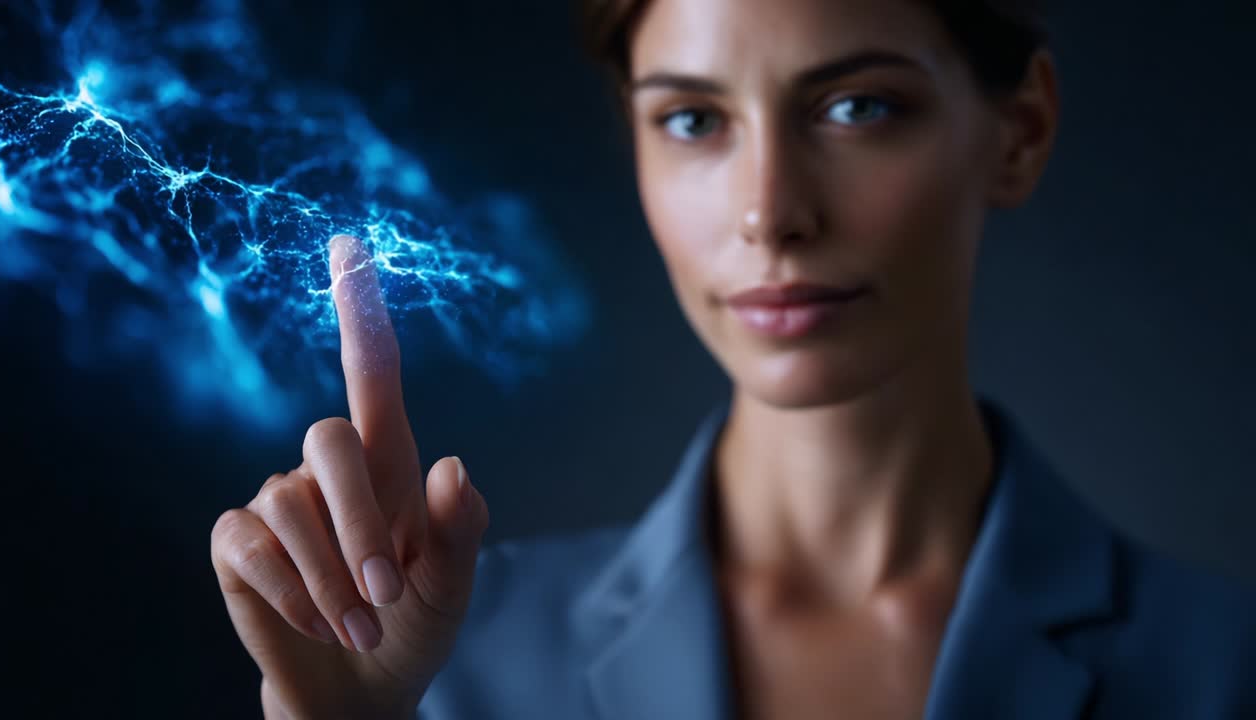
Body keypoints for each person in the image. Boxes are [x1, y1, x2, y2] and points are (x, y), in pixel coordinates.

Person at [209, 0, 1256, 717]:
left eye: (856, 107)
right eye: (692, 119)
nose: (768, 212)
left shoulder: (1221, 670)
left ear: (1018, 130)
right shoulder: (453, 665)